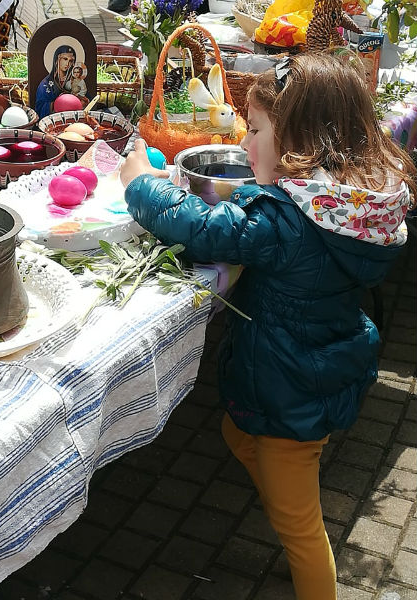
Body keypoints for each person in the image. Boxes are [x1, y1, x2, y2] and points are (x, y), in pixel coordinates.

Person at [119, 52, 416, 600]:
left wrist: (140, 184)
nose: (245, 142)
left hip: (288, 396)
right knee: (237, 433)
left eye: (253, 130)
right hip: (311, 370)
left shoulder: (285, 219)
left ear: (299, 138)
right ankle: (283, 503)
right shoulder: (344, 205)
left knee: (302, 532)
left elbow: (202, 227)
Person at [35, 45, 76, 118]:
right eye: (65, 59)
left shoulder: (75, 81)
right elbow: (40, 107)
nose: (67, 64)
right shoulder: (46, 84)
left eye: (71, 61)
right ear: (57, 60)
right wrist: (56, 104)